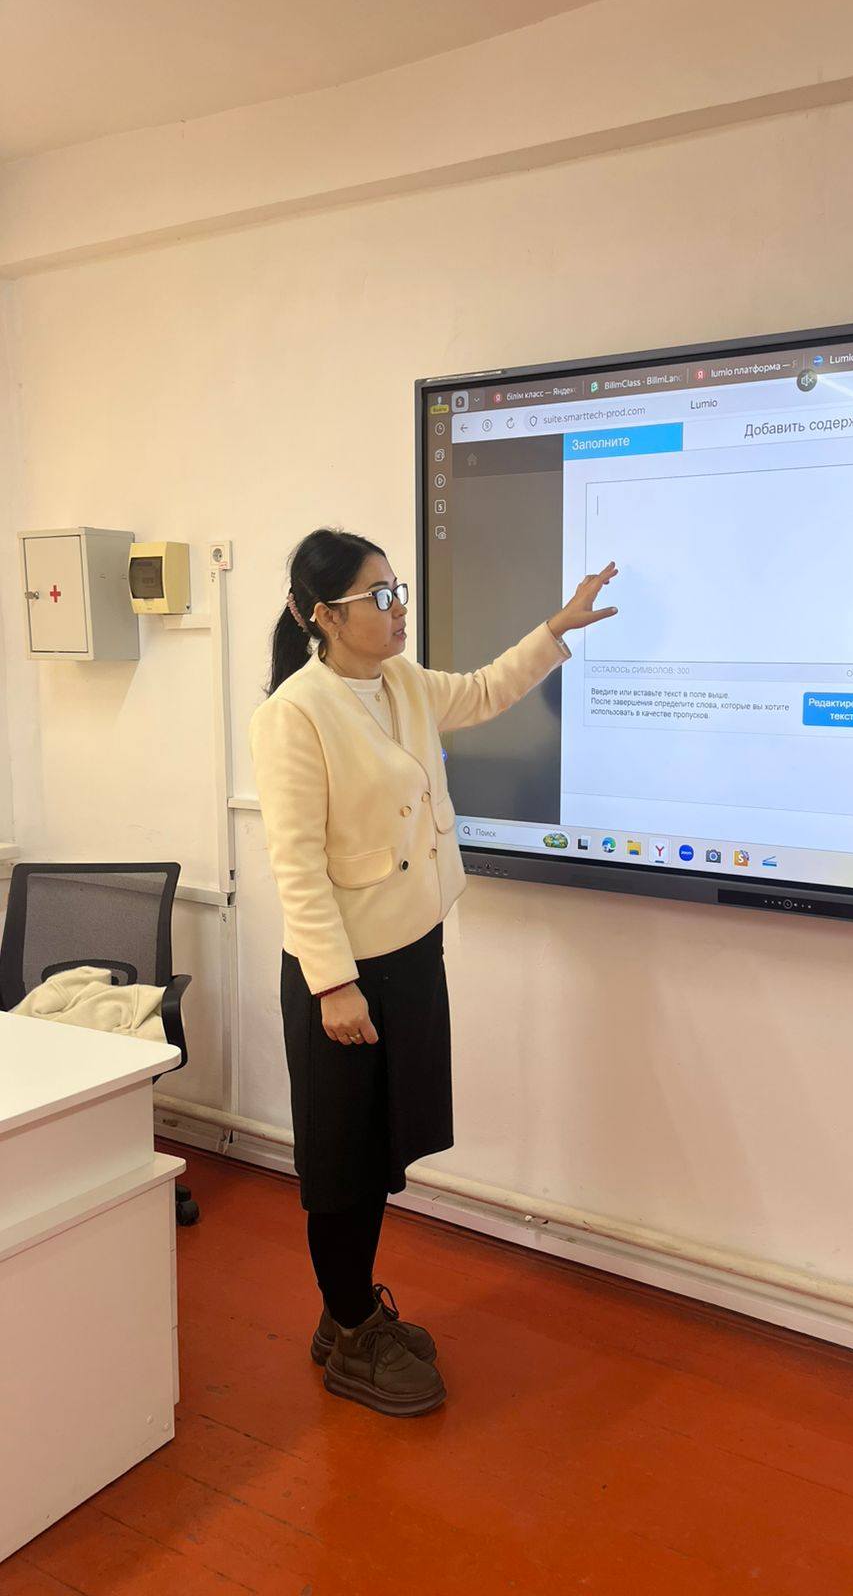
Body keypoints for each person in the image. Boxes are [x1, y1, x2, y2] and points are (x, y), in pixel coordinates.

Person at [250, 527, 618, 1416]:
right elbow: (295, 862)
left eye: (397, 589)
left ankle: (347, 1316)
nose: (398, 608)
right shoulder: (294, 714)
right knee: (341, 1163)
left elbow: (486, 689)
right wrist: (333, 984)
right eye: (378, 597)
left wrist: (556, 627)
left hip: (411, 956)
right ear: (323, 616)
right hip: (344, 979)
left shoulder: (403, 684)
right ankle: (349, 1329)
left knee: (381, 1149)